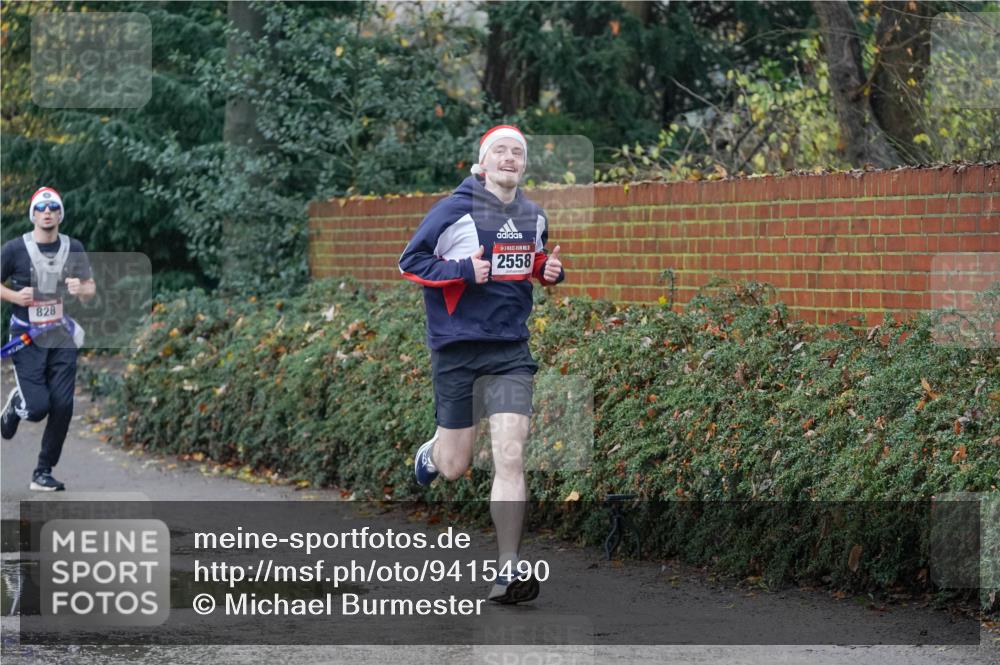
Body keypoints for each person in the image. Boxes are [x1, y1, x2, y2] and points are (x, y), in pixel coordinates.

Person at [398, 125, 564, 604]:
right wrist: (462, 271)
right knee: (454, 466)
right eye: (501, 151)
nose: (510, 158)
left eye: (518, 152)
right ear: (483, 162)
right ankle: (432, 453)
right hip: (457, 350)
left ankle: (508, 571)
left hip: (510, 350)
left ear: (523, 164)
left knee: (511, 454)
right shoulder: (455, 209)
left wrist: (548, 272)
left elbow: (527, 261)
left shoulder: (534, 215)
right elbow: (410, 262)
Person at [1, 187, 96, 491]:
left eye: (53, 208)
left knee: (63, 406)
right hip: (27, 338)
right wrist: (16, 295)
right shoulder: (15, 249)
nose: (47, 213)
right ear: (33, 214)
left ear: (59, 214)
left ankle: (42, 472)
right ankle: (17, 403)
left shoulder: (74, 247)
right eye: (41, 208)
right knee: (38, 407)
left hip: (60, 336)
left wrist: (80, 289)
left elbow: (90, 287)